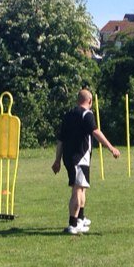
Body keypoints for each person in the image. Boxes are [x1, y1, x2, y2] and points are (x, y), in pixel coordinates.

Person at [51, 89, 120, 234]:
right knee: (77, 189)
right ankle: (73, 224)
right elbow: (96, 132)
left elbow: (61, 140)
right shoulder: (86, 114)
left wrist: (57, 160)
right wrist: (111, 148)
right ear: (90, 101)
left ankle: (80, 219)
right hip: (79, 158)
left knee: (81, 188)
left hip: (69, 157)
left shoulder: (68, 115)